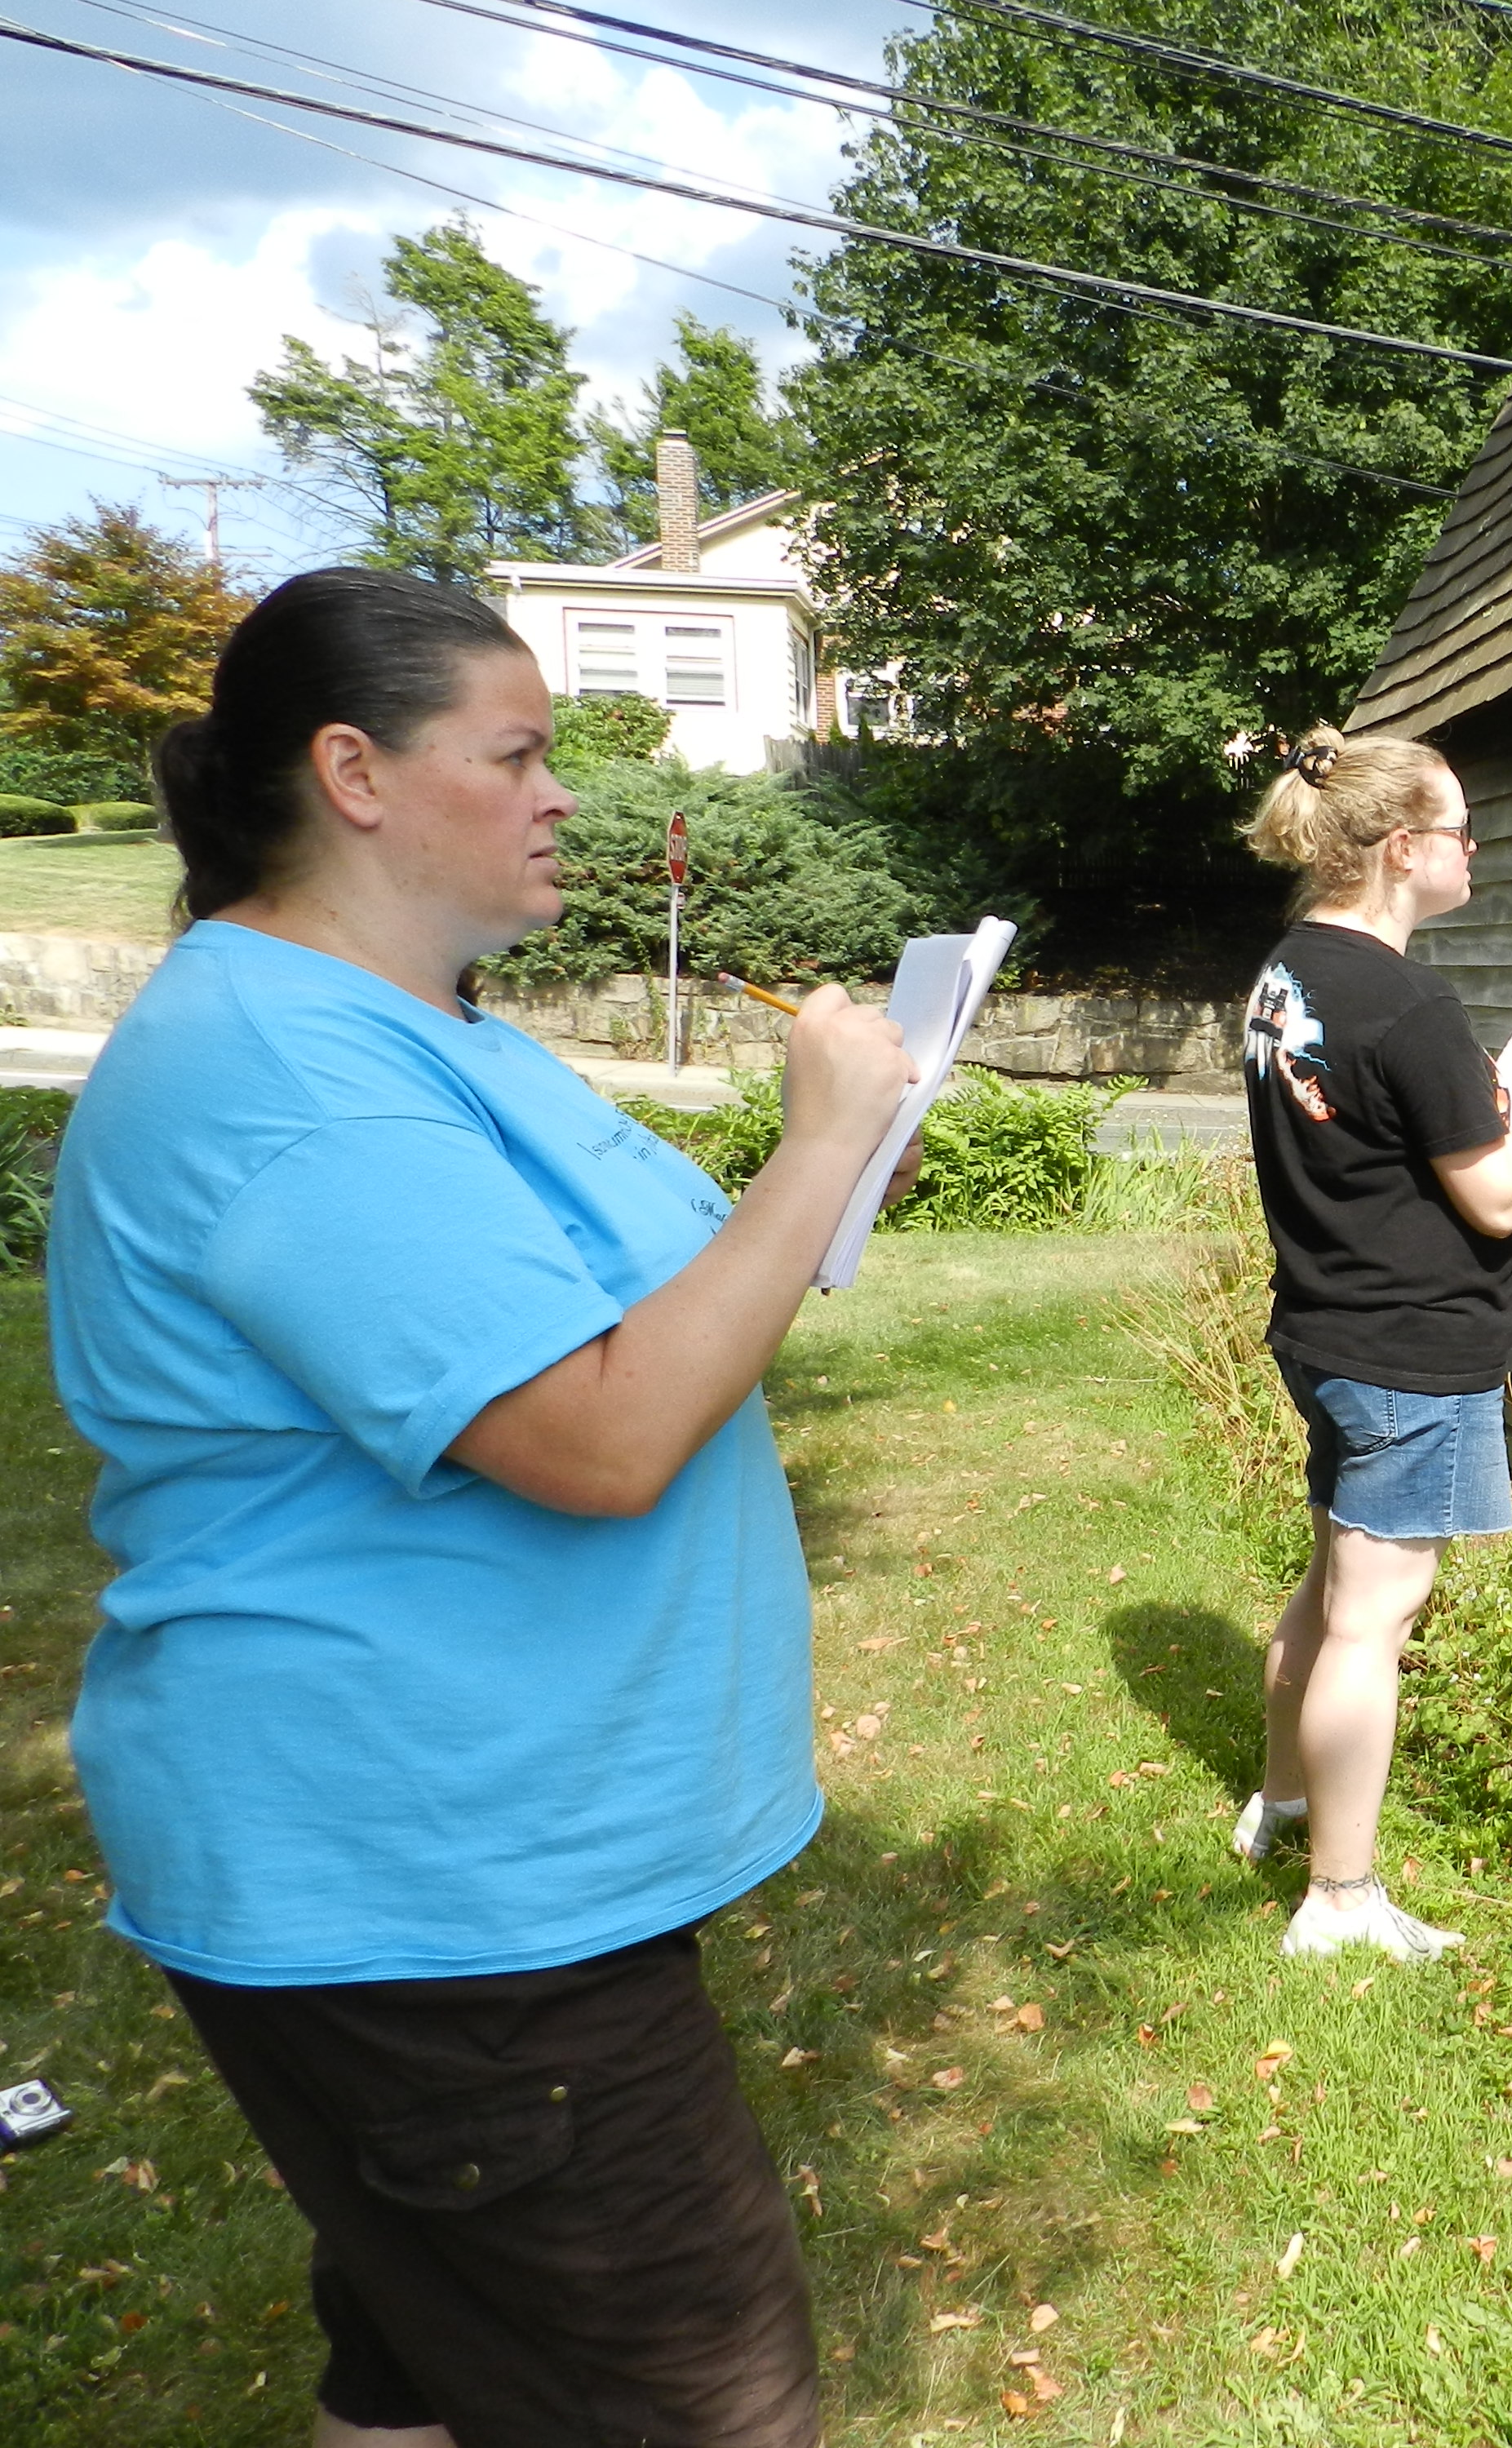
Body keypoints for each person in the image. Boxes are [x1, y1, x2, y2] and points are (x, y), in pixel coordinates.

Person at [46, 568, 920, 2448]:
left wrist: (823, 1185)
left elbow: (640, 1305)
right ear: (354, 773)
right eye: (514, 754)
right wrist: (822, 1142)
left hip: (471, 1860)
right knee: (706, 2406)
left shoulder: (408, 1025)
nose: (559, 792)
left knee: (422, 2365)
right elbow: (600, 1437)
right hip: (435, 1898)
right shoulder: (282, 1070)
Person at [1229, 724, 1512, 1962]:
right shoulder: (1408, 1000)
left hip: (1326, 1328)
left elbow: (1376, 1131)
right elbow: (1497, 1196)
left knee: (1328, 1586)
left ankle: (1282, 1803)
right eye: (1461, 830)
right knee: (1373, 1622)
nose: (1473, 849)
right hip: (1407, 1348)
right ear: (1403, 849)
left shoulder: (1290, 970)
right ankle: (1340, 1900)